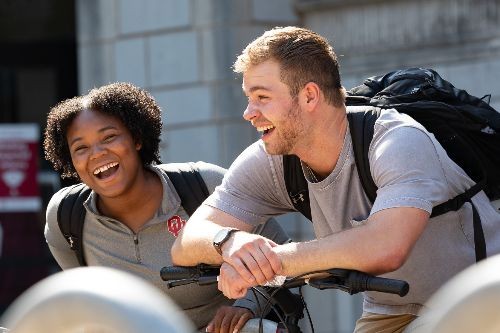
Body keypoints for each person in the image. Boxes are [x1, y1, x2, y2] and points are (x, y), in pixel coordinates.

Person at [171, 26, 500, 332]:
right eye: (248, 97)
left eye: (262, 97)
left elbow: (385, 246)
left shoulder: (396, 140)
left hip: (477, 297)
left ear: (310, 96)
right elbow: (185, 243)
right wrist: (229, 243)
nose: (248, 112)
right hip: (391, 310)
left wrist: (266, 263)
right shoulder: (272, 160)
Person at [43, 82, 290, 333]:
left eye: (109, 137)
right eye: (81, 148)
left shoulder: (204, 185)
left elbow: (281, 251)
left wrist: (246, 306)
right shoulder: (66, 216)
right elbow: (89, 301)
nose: (96, 153)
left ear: (137, 139)